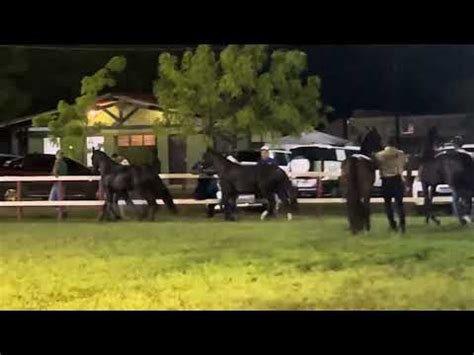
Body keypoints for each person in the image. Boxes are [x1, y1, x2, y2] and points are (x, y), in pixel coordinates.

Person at [375, 137, 407, 233]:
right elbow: (404, 164)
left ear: (385, 144)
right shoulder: (401, 153)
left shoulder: (379, 155)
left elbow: (376, 165)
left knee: (387, 204)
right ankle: (402, 225)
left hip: (386, 181)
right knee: (399, 204)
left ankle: (392, 224)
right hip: (397, 179)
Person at [49, 150, 68, 218]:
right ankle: (63, 211)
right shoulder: (57, 163)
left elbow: (55, 173)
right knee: (52, 200)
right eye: (58, 155)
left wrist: (56, 164)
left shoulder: (62, 164)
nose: (59, 157)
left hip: (61, 184)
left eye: (60, 155)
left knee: (60, 199)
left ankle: (62, 214)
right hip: (56, 184)